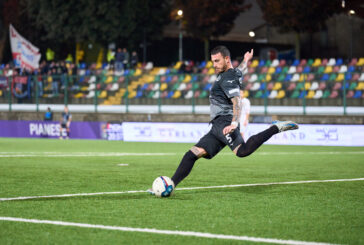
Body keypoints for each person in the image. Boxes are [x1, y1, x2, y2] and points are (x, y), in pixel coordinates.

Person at [148, 46, 298, 195]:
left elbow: (237, 101)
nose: (214, 65)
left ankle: (275, 128)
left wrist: (233, 123)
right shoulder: (231, 73)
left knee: (242, 152)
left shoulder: (227, 78)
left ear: (226, 59)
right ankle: (171, 185)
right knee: (191, 154)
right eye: (212, 61)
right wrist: (246, 60)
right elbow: (240, 71)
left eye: (217, 61)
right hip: (216, 127)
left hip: (225, 123)